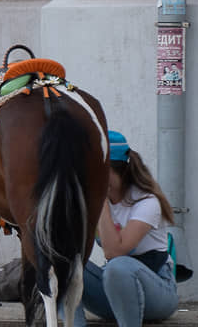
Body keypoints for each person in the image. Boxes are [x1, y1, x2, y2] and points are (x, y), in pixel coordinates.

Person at [73, 130, 178, 326]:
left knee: (118, 266)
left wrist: (100, 202)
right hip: (112, 297)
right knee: (65, 261)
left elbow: (115, 252)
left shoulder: (146, 202)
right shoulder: (91, 201)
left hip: (157, 297)